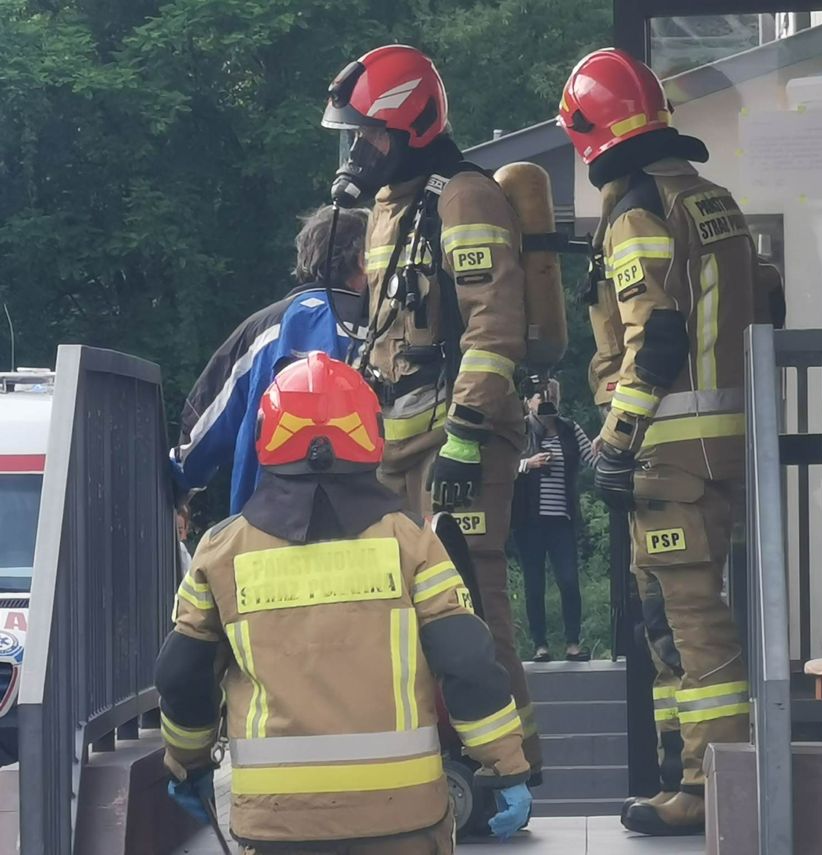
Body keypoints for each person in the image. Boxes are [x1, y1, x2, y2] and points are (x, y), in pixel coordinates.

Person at [155, 353, 533, 853]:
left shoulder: (222, 550)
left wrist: (190, 764)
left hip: (277, 825)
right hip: (403, 817)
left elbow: (182, 673)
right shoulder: (412, 541)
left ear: (267, 435)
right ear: (370, 432)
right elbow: (467, 661)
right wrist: (505, 765)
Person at [557, 48, 784, 836]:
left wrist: (616, 439)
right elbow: (768, 304)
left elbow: (653, 335)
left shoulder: (636, 213)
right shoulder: (713, 199)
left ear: (590, 136)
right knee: (666, 614)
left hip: (666, 451)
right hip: (724, 446)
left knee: (689, 617)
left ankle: (709, 786)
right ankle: (676, 769)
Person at [321, 45, 542, 773]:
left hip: (458, 436)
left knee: (473, 597)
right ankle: (434, 753)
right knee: (398, 603)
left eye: (371, 133)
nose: (360, 149)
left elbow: (494, 326)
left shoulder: (464, 197)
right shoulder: (390, 207)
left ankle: (512, 759)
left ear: (411, 125)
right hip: (396, 440)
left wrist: (468, 435)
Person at [169, 205, 369, 514]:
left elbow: (200, 438)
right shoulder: (387, 329)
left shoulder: (260, 332)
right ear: (363, 261)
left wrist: (181, 483)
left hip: (264, 534)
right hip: (369, 532)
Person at [511, 380, 596, 662]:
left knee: (569, 581)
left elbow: (592, 459)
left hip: (562, 519)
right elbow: (501, 466)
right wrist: (528, 464)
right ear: (528, 402)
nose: (546, 402)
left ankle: (573, 643)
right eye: (540, 397)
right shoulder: (519, 430)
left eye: (552, 397)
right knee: (534, 584)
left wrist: (609, 445)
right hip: (528, 521)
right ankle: (540, 645)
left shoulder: (569, 429)